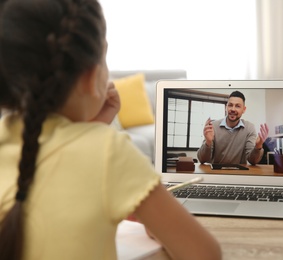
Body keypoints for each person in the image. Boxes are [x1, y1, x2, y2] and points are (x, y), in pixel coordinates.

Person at [0, 1, 221, 260]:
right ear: (92, 75)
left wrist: (90, 128)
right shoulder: (108, 150)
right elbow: (205, 254)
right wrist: (160, 226)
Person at [197, 90, 269, 165]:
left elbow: (253, 161)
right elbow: (202, 159)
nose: (233, 109)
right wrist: (208, 142)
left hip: (239, 174)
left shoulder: (249, 128)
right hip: (216, 174)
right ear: (226, 107)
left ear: (243, 110)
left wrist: (258, 146)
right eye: (230, 105)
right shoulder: (213, 126)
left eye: (237, 106)